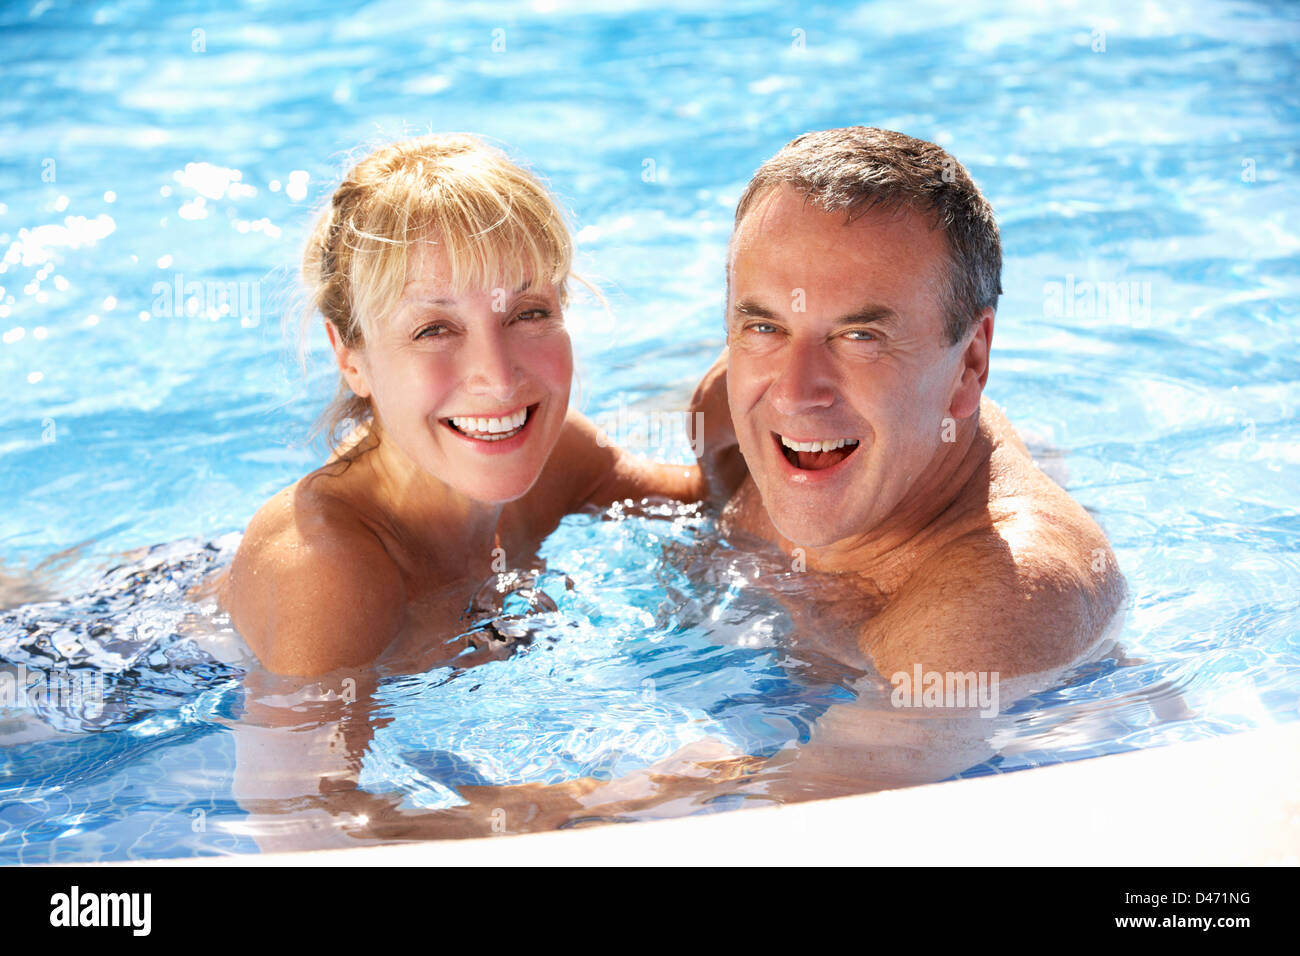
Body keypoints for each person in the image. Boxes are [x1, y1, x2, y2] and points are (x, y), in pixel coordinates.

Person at [216, 134, 704, 677]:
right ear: (350, 357)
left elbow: (725, 506)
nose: (498, 380)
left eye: (528, 313)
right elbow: (299, 765)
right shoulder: (327, 573)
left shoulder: (555, 457)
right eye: (434, 329)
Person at [691, 126, 1127, 683]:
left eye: (860, 337)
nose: (794, 394)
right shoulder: (726, 412)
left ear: (970, 363)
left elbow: (813, 775)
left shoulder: (992, 606)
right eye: (765, 325)